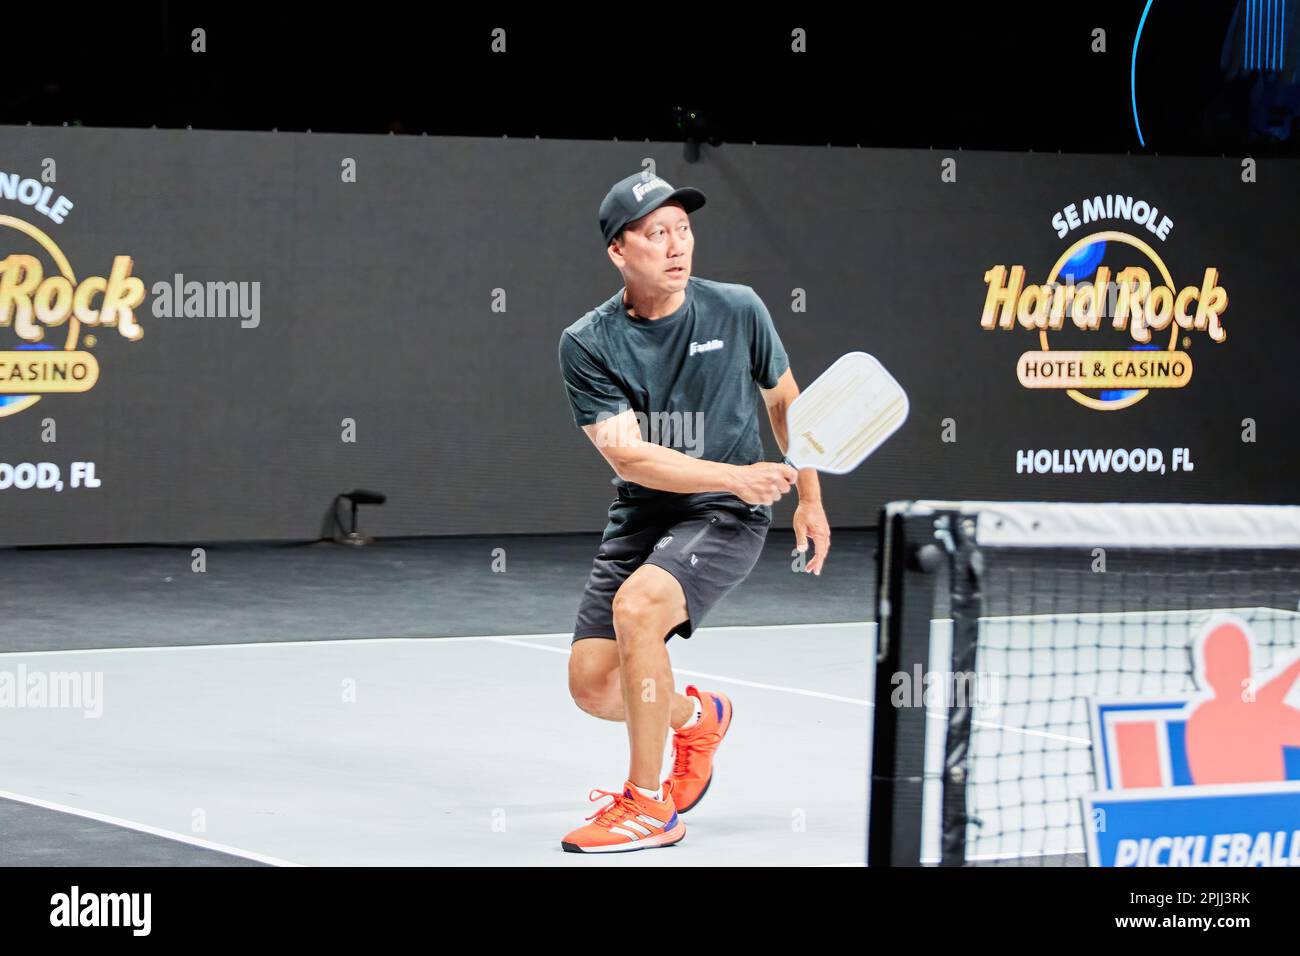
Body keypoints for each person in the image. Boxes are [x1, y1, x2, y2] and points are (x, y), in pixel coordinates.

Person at [554, 170, 830, 853]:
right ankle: (696, 716)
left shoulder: (739, 309)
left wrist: (811, 499)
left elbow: (787, 403)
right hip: (646, 516)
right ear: (620, 251)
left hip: (725, 517)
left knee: (639, 608)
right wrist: (738, 474)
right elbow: (630, 458)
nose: (677, 245)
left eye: (684, 229)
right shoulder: (588, 342)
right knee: (592, 688)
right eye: (657, 234)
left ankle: (648, 806)